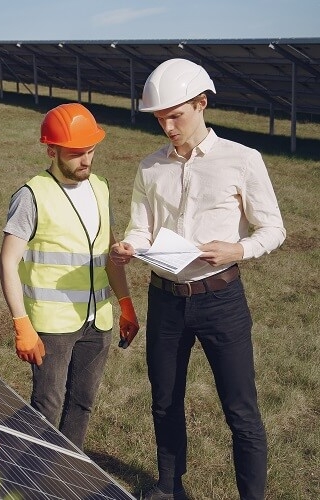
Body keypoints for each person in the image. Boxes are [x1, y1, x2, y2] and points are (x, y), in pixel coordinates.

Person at [110, 58, 286, 500]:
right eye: (159, 118)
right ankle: (169, 488)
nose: (167, 127)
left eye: (176, 116)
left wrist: (238, 249)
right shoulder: (150, 167)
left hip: (221, 301)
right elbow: (140, 227)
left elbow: (274, 229)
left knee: (241, 412)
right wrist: (130, 246)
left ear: (201, 103)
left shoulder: (242, 160)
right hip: (166, 301)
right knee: (164, 402)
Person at [0, 102, 138, 450]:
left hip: (98, 321)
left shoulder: (101, 188)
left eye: (90, 151)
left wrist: (125, 304)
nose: (86, 160)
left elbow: (108, 252)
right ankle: (28, 477)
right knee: (47, 406)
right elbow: (7, 262)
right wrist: (21, 324)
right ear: (51, 149)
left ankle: (62, 472)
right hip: (53, 325)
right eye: (76, 153)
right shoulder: (32, 195)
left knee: (83, 404)